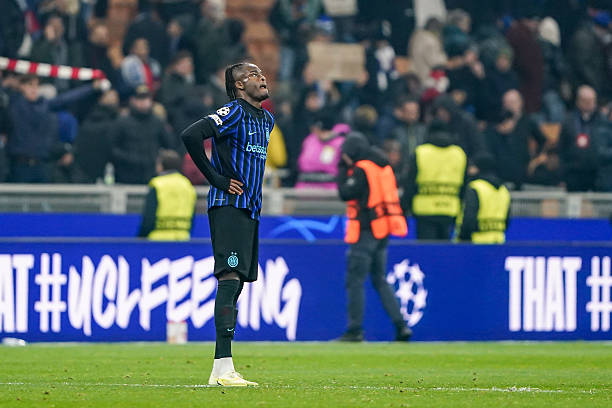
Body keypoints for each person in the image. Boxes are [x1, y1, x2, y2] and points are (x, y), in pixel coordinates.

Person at [181, 62, 273, 387]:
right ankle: (223, 366)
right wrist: (216, 179)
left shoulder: (267, 120)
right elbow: (191, 135)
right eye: (252, 75)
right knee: (230, 277)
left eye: (261, 73)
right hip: (229, 205)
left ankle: (221, 369)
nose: (261, 77)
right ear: (238, 86)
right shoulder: (233, 112)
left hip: (250, 209)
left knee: (238, 283)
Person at [337, 133, 411, 342]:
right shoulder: (384, 166)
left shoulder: (362, 168)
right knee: (380, 279)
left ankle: (355, 330)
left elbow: (346, 193)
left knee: (355, 280)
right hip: (383, 230)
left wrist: (341, 171)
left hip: (366, 231)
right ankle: (401, 325)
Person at [402, 120, 467, 240]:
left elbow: (410, 183)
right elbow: (464, 184)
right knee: (445, 249)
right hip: (450, 209)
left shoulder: (421, 152)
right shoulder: (459, 153)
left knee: (426, 250)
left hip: (424, 210)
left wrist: (404, 207)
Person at [110, 85, 174, 184]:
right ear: (133, 100)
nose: (143, 102)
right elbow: (112, 149)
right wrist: (128, 159)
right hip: (126, 176)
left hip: (152, 175)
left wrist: (157, 160)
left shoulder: (157, 123)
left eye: (146, 98)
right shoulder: (122, 123)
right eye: (140, 99)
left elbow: (169, 145)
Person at [138, 149, 196, 240]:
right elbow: (192, 214)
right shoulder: (187, 185)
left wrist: (141, 237)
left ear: (161, 166)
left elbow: (149, 217)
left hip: (158, 239)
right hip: (183, 238)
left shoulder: (157, 184)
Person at [456, 154, 511, 243]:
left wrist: (462, 237)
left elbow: (469, 217)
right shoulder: (503, 190)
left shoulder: (475, 187)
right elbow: (507, 219)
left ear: (479, 168)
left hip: (476, 241)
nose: (469, 170)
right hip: (498, 240)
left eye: (472, 166)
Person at [559, 85, 604, 192]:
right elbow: (562, 149)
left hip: (596, 173)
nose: (589, 103)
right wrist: (561, 176)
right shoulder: (568, 121)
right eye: (585, 100)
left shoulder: (602, 121)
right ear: (578, 101)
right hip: (573, 172)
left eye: (591, 100)